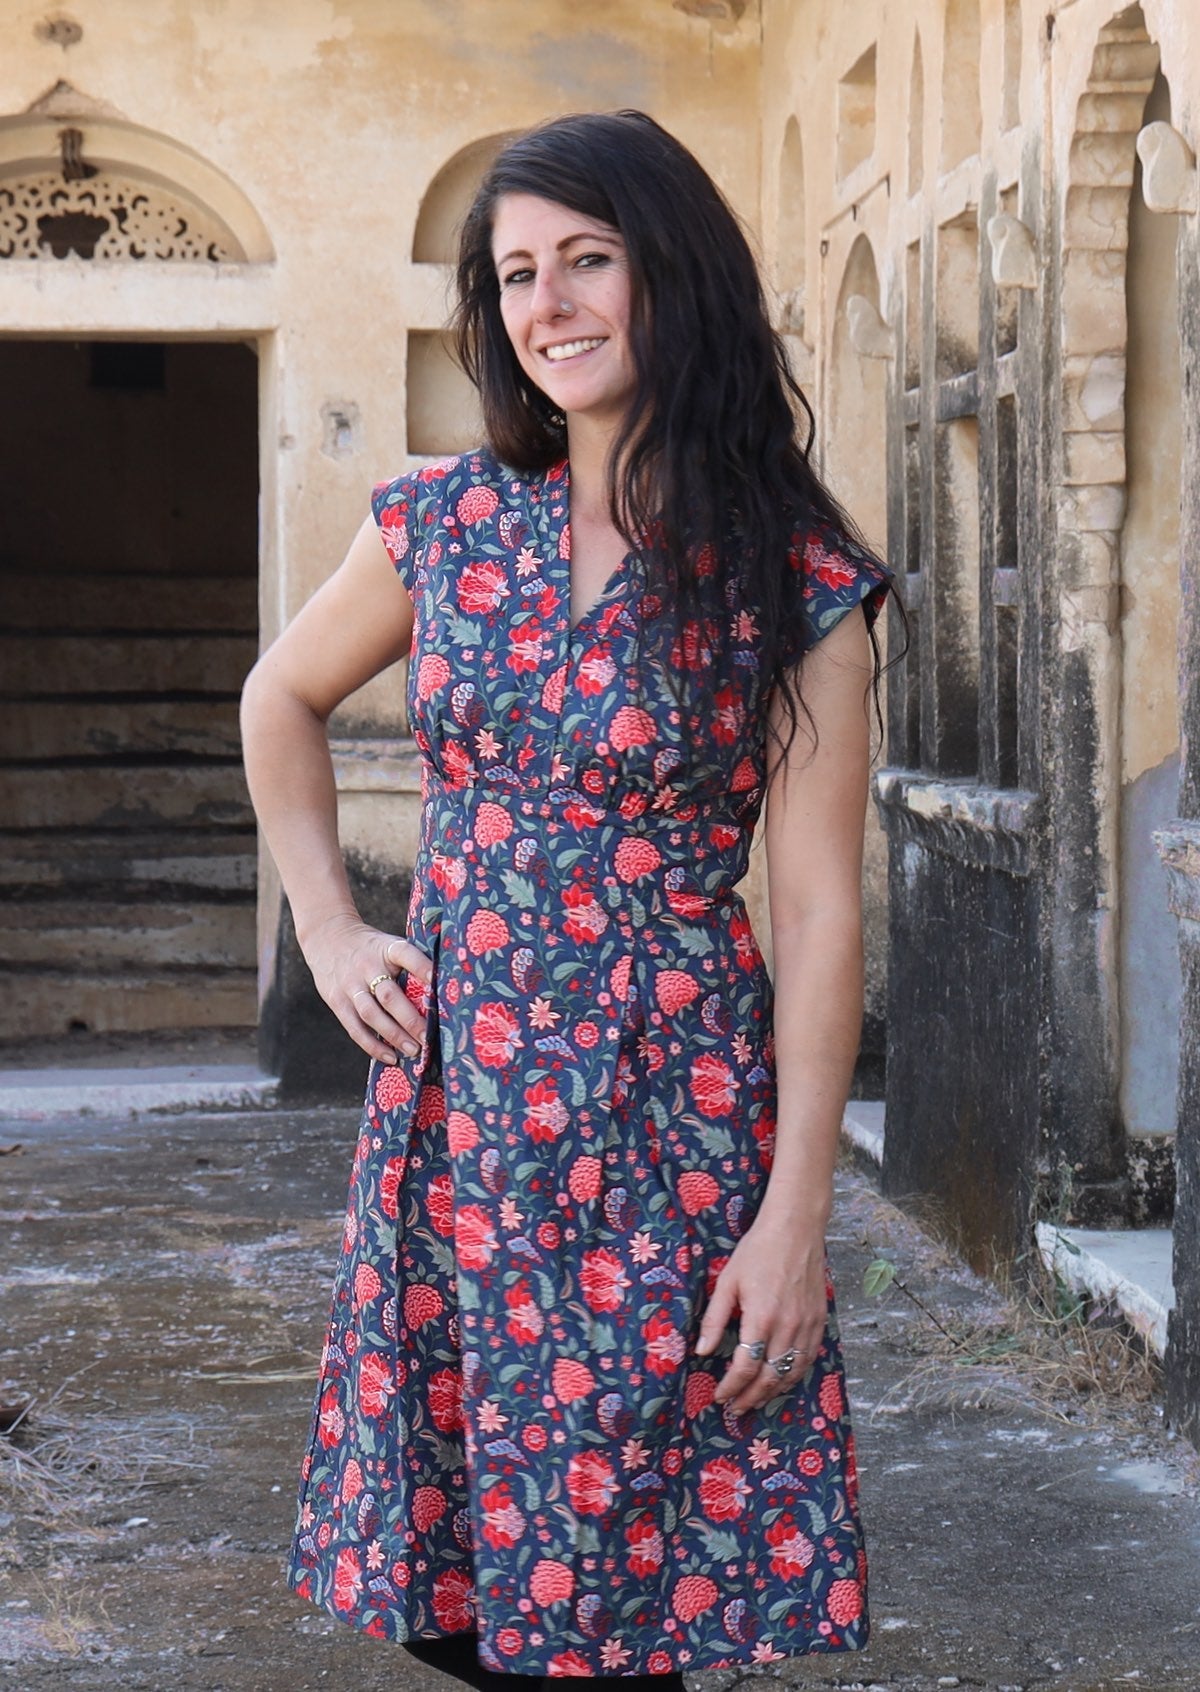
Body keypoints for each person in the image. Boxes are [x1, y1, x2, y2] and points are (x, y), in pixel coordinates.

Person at [240, 109, 899, 1691]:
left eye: (588, 258)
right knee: (461, 1593)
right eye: (518, 272)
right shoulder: (444, 524)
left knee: (633, 1588)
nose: (549, 304)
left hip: (670, 1132)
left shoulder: (795, 578)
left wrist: (795, 1219)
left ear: (672, 270)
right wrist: (327, 927)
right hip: (457, 1123)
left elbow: (818, 915)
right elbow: (280, 697)